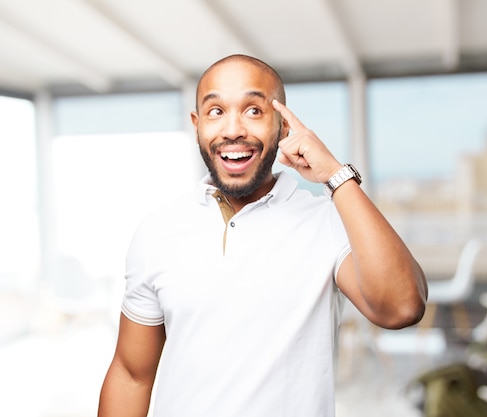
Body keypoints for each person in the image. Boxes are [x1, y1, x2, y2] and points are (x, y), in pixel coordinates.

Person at [98, 54, 427, 417]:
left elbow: (402, 307)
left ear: (282, 126)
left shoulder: (327, 222)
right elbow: (131, 375)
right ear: (197, 125)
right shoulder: (157, 232)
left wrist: (336, 175)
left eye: (253, 110)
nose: (233, 129)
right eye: (216, 111)